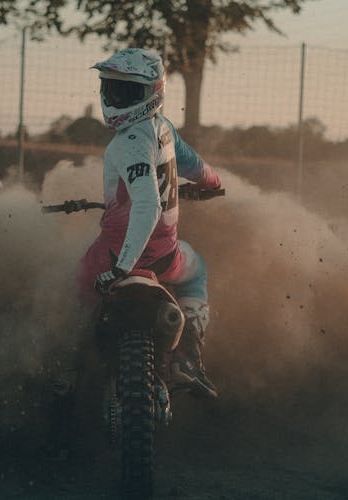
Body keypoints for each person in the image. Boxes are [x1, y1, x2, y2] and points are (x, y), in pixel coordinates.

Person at [76, 48, 223, 399]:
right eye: (112, 88)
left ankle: (69, 373)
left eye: (127, 92)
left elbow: (146, 205)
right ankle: (188, 355)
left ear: (152, 91)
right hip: (165, 256)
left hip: (114, 256)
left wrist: (121, 267)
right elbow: (198, 168)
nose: (115, 98)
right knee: (197, 269)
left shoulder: (126, 143)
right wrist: (213, 185)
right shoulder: (165, 129)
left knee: (78, 288)